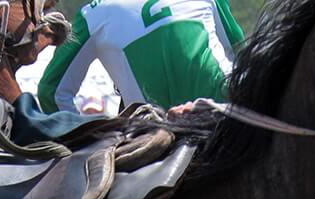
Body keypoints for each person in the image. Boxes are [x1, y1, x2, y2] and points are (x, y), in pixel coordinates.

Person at [36, 0, 243, 114]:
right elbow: (241, 53)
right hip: (228, 119)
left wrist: (85, 144)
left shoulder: (93, 14)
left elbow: (50, 92)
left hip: (155, 144)